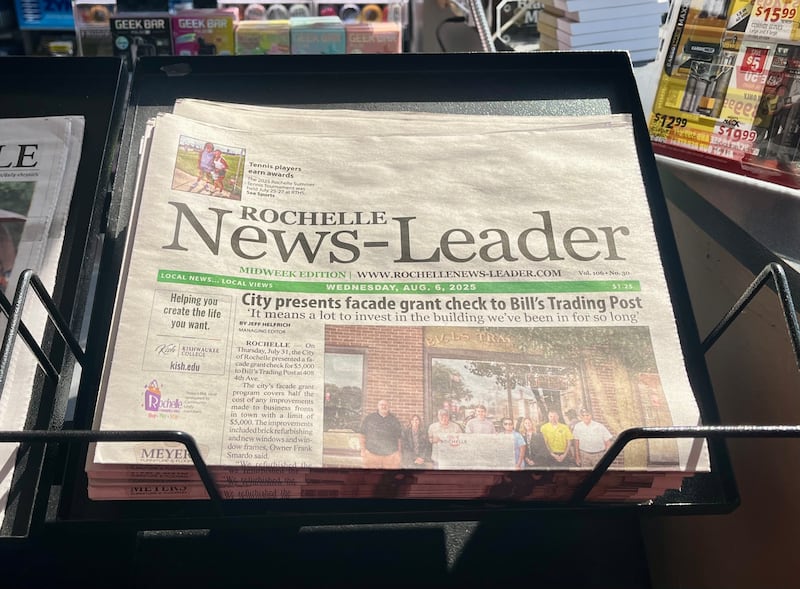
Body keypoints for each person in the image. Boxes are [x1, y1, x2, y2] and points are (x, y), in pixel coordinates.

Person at [358, 399, 402, 469]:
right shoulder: (369, 418)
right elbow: (362, 435)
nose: (384, 407)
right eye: (382, 405)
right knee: (372, 477)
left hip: (390, 456)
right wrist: (363, 450)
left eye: (386, 405)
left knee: (390, 478)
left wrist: (399, 453)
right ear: (377, 406)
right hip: (372, 455)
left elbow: (399, 438)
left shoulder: (394, 420)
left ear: (389, 407)